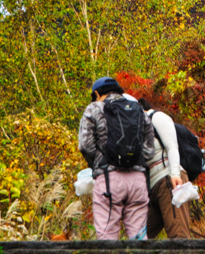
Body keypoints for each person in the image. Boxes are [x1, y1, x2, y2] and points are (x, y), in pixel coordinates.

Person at [78, 76, 154, 240]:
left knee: (107, 238)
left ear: (97, 94)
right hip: (138, 182)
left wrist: (96, 164)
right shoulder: (139, 110)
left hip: (108, 180)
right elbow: (149, 151)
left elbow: (85, 146)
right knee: (139, 238)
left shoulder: (94, 109)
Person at [137, 98, 192, 239]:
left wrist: (175, 174)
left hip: (168, 179)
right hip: (152, 189)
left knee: (178, 234)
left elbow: (172, 146)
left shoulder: (156, 117)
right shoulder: (135, 128)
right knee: (139, 235)